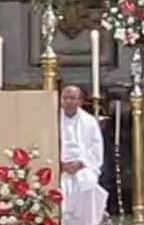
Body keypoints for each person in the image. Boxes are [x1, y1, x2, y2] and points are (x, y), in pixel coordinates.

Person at [59, 85, 107, 225]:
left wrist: (81, 162)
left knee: (89, 184)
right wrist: (60, 164)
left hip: (82, 166)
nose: (68, 101)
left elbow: (96, 147)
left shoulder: (89, 121)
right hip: (59, 167)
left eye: (72, 98)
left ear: (80, 101)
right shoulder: (51, 119)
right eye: (65, 98)